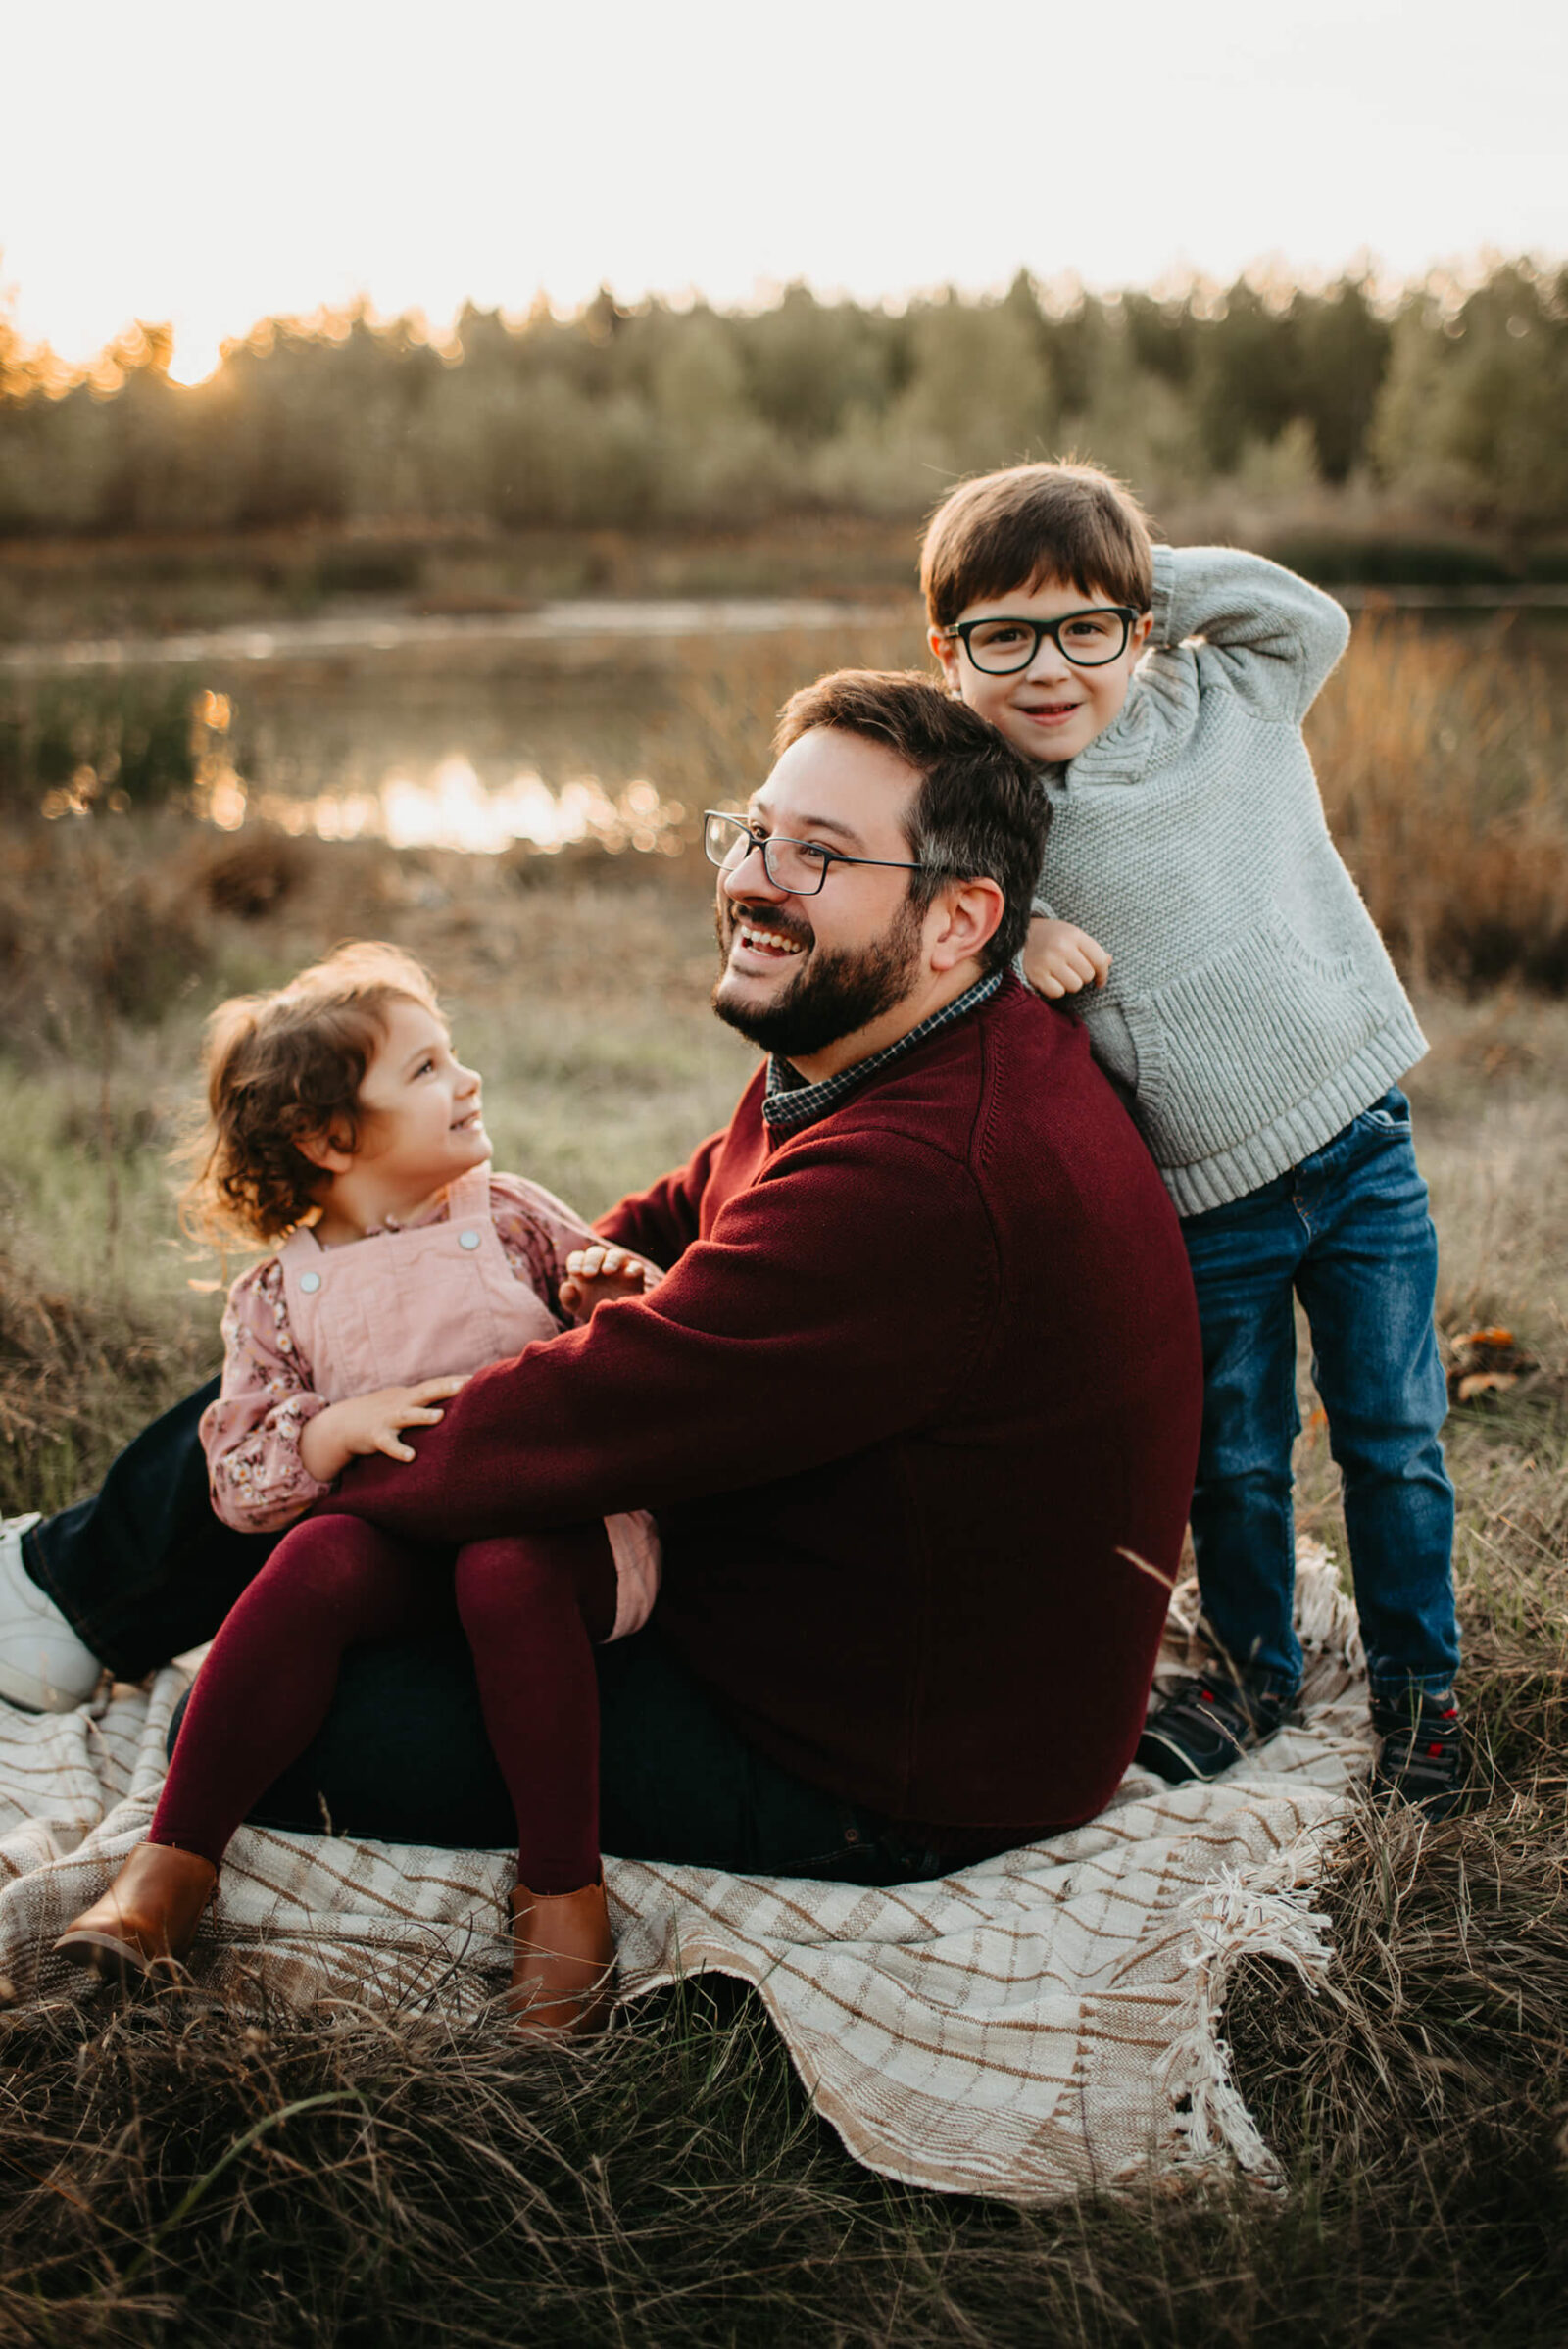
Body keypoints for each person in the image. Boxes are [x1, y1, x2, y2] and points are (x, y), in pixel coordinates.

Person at [6, 670, 1203, 1966]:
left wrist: (299, 1485)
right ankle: (74, 1589)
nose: (755, 880)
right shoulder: (887, 1041)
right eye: (754, 833)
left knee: (254, 1709)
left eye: (819, 856)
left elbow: (578, 1415)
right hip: (842, 1636)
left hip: (884, 1768)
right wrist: (525, 1298)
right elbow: (689, 1207)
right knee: (377, 1349)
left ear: (962, 917)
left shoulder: (927, 1178)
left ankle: (86, 1593)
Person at [922, 461, 1465, 1815]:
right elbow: (905, 892)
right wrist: (1016, 930)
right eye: (1005, 637)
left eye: (1084, 629)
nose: (1049, 670)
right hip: (1202, 1188)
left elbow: (1313, 619)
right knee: (1230, 1455)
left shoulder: (1232, 691)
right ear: (948, 652)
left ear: (1143, 623)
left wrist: (1135, 569)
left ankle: (1421, 1691)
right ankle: (1251, 1671)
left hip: (1356, 1142)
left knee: (1393, 1435)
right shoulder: (982, 792)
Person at [55, 943, 661, 2034]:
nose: (465, 1078)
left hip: (556, 1541)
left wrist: (605, 1295)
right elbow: (241, 1482)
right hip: (404, 1553)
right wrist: (331, 1429)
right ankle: (172, 1869)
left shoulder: (512, 1217)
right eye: (426, 1069)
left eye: (453, 1054)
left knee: (504, 1567)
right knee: (310, 1558)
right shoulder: (278, 1297)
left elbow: (643, 1363)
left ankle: (564, 1901)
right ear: (330, 1138)